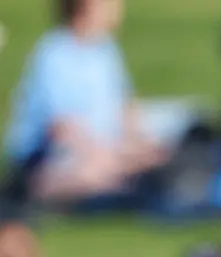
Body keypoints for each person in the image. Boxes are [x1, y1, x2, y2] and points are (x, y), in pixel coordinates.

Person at [3, 0, 167, 208]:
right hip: (53, 152)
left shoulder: (105, 49)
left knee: (154, 155)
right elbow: (60, 126)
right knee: (92, 170)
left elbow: (124, 105)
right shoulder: (54, 53)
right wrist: (101, 154)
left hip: (103, 147)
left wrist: (140, 143)